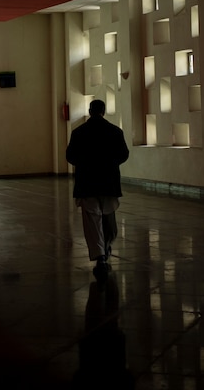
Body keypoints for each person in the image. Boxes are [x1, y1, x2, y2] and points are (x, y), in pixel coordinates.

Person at [66, 99, 130, 279]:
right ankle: (106, 246)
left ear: (89, 111)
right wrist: (109, 163)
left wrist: (85, 163)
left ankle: (100, 256)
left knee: (92, 220)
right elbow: (123, 154)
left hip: (87, 182)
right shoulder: (115, 131)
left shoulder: (78, 132)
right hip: (108, 182)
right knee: (109, 218)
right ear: (103, 111)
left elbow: (70, 156)